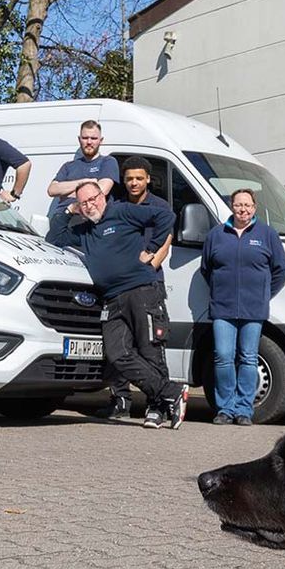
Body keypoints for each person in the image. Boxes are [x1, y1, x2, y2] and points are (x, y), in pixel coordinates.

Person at [50, 180, 189, 429]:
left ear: (102, 197)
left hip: (141, 291)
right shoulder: (85, 231)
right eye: (83, 203)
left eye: (92, 199)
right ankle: (172, 391)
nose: (89, 205)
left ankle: (157, 409)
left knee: (150, 350)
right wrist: (69, 210)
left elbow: (166, 216)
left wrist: (151, 248)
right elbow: (55, 237)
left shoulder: (122, 211)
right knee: (117, 354)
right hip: (111, 298)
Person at [201, 189, 285, 426]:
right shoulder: (216, 235)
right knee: (223, 357)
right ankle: (225, 409)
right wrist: (219, 290)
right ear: (232, 206)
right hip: (223, 307)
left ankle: (243, 410)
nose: (243, 209)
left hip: (254, 308)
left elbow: (281, 269)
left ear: (254, 207)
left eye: (247, 205)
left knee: (249, 358)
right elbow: (206, 269)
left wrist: (264, 293)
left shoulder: (267, 234)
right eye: (239, 205)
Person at [101, 156, 173, 420]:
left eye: (139, 178)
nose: (134, 183)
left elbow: (166, 242)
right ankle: (120, 401)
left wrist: (149, 263)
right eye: (129, 178)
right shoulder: (116, 206)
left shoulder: (160, 206)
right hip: (119, 288)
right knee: (120, 348)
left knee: (150, 346)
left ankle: (159, 405)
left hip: (147, 285)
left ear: (148, 179)